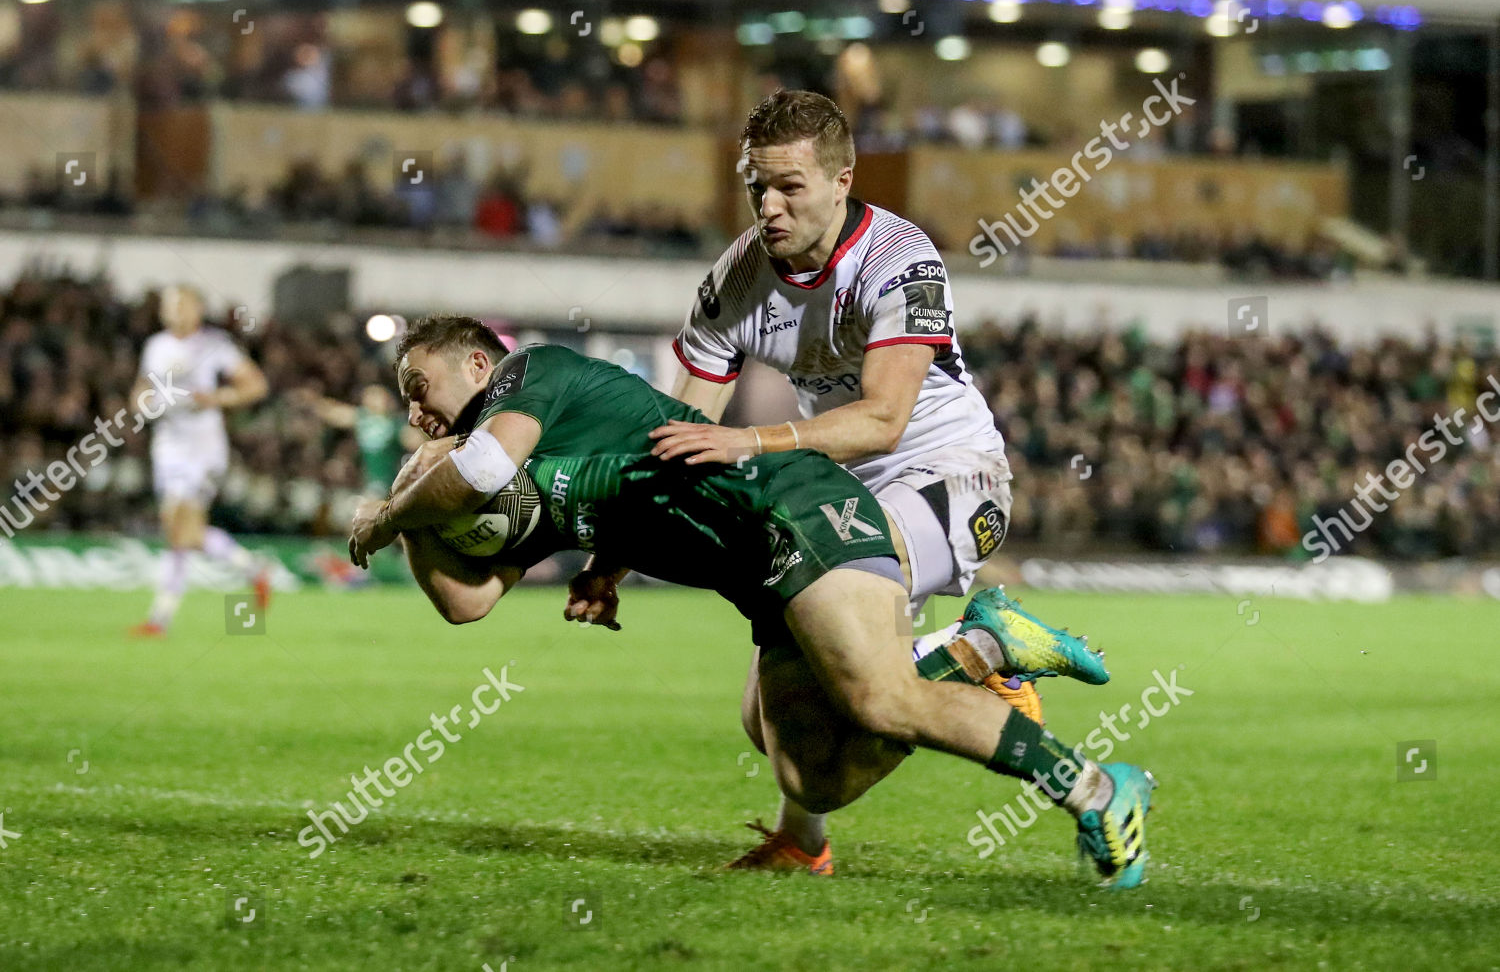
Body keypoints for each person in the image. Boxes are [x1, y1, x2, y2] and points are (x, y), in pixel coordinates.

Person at [346, 315, 1157, 889]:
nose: (414, 412)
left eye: (420, 385)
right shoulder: (523, 489)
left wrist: (390, 514)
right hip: (758, 571)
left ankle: (1095, 789)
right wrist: (413, 520)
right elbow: (468, 602)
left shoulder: (535, 375)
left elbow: (481, 470)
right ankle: (973, 651)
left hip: (787, 504)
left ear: (480, 367)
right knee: (810, 775)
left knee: (880, 698)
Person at [577, 89, 1078, 870]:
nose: (768, 207)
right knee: (777, 733)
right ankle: (804, 840)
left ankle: (980, 652)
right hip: (836, 492)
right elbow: (676, 441)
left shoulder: (900, 260)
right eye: (756, 187)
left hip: (946, 475)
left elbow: (882, 420)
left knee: (864, 693)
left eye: (789, 187)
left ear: (843, 180)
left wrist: (752, 442)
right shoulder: (737, 277)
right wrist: (610, 559)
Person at [129, 285, 270, 637]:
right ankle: (253, 568)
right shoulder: (156, 346)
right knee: (180, 533)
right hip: (167, 446)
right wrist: (142, 405)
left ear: (197, 309)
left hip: (203, 447)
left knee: (178, 526)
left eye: (180, 304)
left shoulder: (214, 345)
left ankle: (159, 620)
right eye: (167, 305)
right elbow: (140, 390)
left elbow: (256, 385)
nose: (172, 310)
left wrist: (215, 397)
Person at [295, 383, 419, 496]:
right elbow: (335, 412)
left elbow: (418, 444)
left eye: (376, 395)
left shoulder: (395, 424)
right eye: (369, 396)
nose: (371, 399)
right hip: (370, 482)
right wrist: (314, 402)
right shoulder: (363, 419)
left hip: (392, 483)